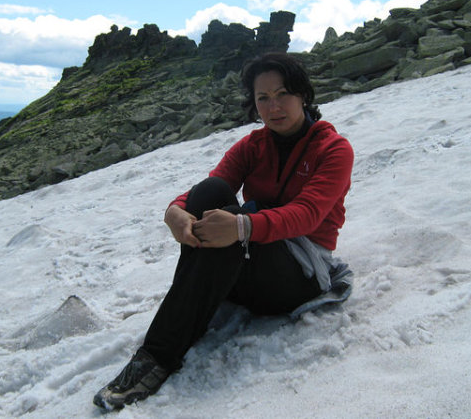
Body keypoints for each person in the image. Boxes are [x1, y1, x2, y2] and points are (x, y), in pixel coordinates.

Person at [93, 52, 354, 410]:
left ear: (303, 95)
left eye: (283, 94)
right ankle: (191, 305)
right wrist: (176, 211)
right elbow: (214, 184)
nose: (274, 106)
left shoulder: (333, 149)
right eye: (263, 98)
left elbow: (308, 214)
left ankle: (157, 357)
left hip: (299, 275)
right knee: (210, 193)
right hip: (252, 269)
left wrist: (242, 226)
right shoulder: (253, 146)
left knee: (231, 217)